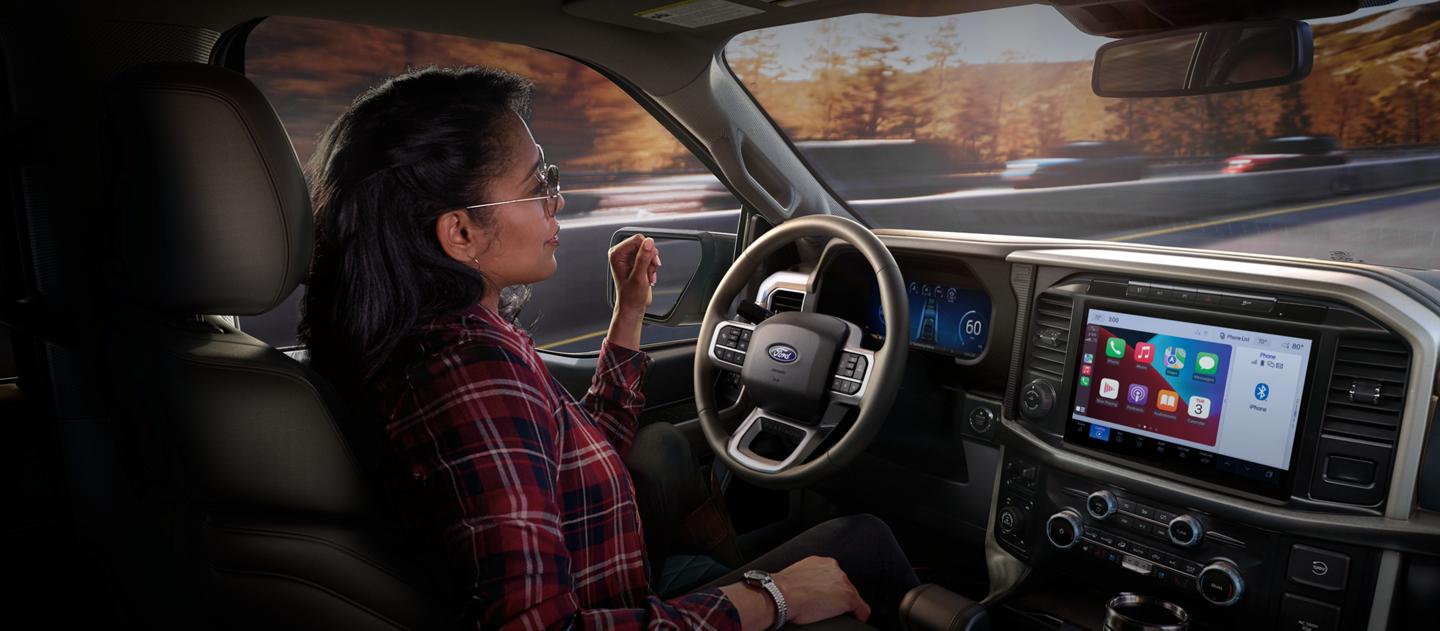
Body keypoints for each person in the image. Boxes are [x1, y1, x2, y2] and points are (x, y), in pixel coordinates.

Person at [299, 65, 919, 630]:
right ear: (460, 231)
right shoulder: (469, 371)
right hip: (615, 612)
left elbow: (572, 451)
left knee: (662, 450)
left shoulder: (443, 343)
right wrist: (773, 599)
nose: (558, 199)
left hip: (624, 590)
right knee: (862, 542)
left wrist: (629, 314)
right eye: (539, 181)